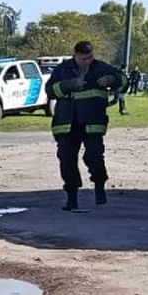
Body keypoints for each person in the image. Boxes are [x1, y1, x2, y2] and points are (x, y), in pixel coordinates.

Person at [47, 41, 124, 210]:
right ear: (75, 55)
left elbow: (123, 79)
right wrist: (69, 85)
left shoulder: (101, 67)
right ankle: (71, 198)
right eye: (83, 59)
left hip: (93, 122)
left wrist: (112, 79)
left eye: (89, 58)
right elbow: (50, 90)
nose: (87, 61)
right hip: (66, 124)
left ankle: (99, 187)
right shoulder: (63, 69)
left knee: (94, 156)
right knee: (67, 160)